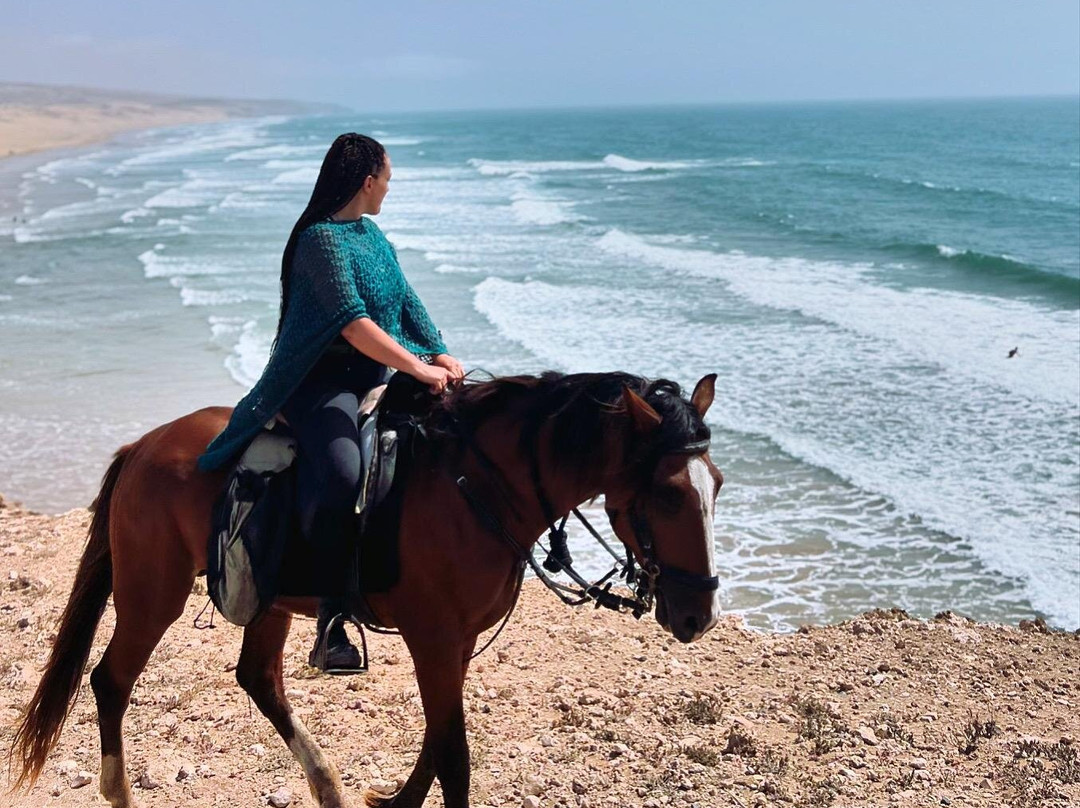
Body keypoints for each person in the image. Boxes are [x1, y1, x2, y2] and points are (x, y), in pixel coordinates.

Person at [198, 133, 464, 672]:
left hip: (377, 374)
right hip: (320, 384)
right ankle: (331, 621)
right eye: (387, 178)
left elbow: (405, 298)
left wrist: (437, 347)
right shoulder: (319, 241)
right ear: (368, 181)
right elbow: (352, 320)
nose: (390, 188)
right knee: (345, 472)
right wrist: (415, 366)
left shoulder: (371, 234)